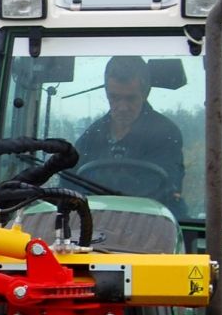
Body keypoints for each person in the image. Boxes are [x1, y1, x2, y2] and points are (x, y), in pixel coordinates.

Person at [73, 55, 184, 204]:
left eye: (130, 98)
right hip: (97, 219)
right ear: (106, 93)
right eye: (114, 97)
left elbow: (158, 188)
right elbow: (70, 181)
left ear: (145, 94)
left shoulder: (165, 134)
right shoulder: (92, 136)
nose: (122, 107)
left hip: (152, 220)